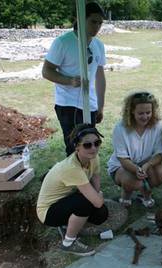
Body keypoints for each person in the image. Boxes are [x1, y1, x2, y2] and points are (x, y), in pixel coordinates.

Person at [42, 1, 107, 156]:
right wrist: (69, 81)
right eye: (93, 21)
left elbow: (100, 76)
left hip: (89, 103)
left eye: (100, 23)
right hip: (67, 104)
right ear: (80, 19)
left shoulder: (99, 45)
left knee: (90, 145)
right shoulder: (63, 42)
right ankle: (73, 178)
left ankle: (87, 177)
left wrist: (100, 105)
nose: (97, 26)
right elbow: (46, 71)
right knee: (74, 147)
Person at [37, 124, 108, 256]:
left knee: (101, 214)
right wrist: (97, 197)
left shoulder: (93, 158)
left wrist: (97, 196)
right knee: (85, 203)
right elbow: (97, 201)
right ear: (77, 147)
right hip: (48, 212)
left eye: (97, 143)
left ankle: (69, 224)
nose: (93, 148)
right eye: (87, 145)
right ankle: (68, 243)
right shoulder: (71, 168)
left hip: (65, 200)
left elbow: (96, 182)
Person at [107, 91, 162, 208]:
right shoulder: (120, 128)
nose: (145, 117)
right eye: (140, 113)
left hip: (145, 164)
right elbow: (123, 158)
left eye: (148, 112)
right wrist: (136, 169)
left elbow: (160, 153)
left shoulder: (157, 126)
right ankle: (126, 193)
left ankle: (145, 194)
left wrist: (147, 165)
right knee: (133, 181)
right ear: (131, 111)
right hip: (121, 167)